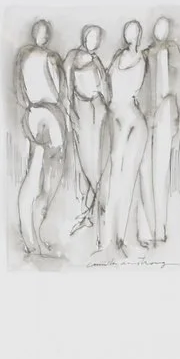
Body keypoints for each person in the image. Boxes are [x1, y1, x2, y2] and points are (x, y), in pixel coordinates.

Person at [13, 18, 69, 258]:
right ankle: (31, 236)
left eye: (45, 33)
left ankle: (33, 235)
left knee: (42, 178)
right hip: (45, 114)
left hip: (41, 114)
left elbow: (22, 91)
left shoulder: (34, 57)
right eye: (41, 32)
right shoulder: (43, 58)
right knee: (40, 178)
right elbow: (58, 92)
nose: (43, 36)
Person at [105, 17, 150, 253]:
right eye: (129, 32)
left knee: (127, 177)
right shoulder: (123, 58)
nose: (131, 36)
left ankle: (123, 237)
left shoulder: (134, 59)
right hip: (121, 116)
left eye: (133, 32)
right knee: (118, 176)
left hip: (128, 117)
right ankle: (112, 238)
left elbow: (128, 88)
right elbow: (110, 87)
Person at [143, 13, 180, 251]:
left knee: (161, 172)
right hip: (148, 118)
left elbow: (179, 89)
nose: (161, 31)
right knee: (148, 172)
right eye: (158, 27)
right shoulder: (147, 52)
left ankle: (161, 228)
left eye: (165, 27)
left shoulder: (174, 52)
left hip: (167, 114)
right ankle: (148, 230)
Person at [68, 23, 109, 242]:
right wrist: (70, 112)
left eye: (98, 38)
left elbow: (105, 88)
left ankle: (92, 211)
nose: (95, 41)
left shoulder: (97, 61)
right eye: (92, 37)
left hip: (98, 111)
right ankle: (98, 206)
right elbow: (66, 88)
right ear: (85, 37)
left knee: (98, 160)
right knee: (87, 161)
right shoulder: (73, 57)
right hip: (81, 111)